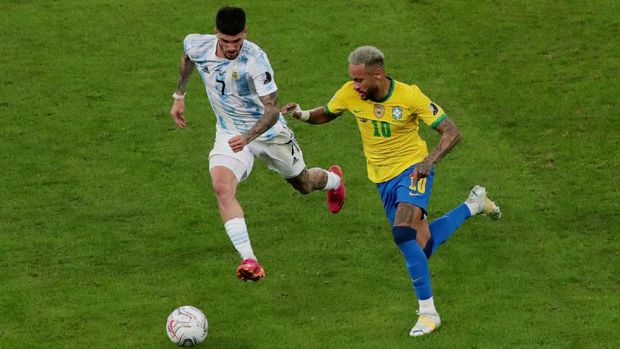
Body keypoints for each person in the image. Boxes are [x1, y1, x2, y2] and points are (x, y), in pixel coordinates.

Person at [282, 45, 501, 337]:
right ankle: (474, 204)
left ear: (378, 73)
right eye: (352, 79)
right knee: (422, 247)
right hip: (381, 178)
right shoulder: (350, 93)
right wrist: (302, 114)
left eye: (360, 80)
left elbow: (452, 131)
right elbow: (328, 113)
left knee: (402, 233)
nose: (354, 85)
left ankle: (428, 313)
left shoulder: (409, 96)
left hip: (413, 170)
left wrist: (428, 160)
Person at [169, 6, 345, 282]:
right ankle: (250, 260)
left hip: (269, 134)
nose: (231, 48)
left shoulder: (255, 61)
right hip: (229, 132)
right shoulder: (198, 44)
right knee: (221, 188)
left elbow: (272, 110)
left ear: (245, 34)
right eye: (226, 41)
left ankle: (334, 181)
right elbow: (188, 58)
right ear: (216, 34)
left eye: (237, 41)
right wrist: (179, 94)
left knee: (304, 184)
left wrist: (248, 137)